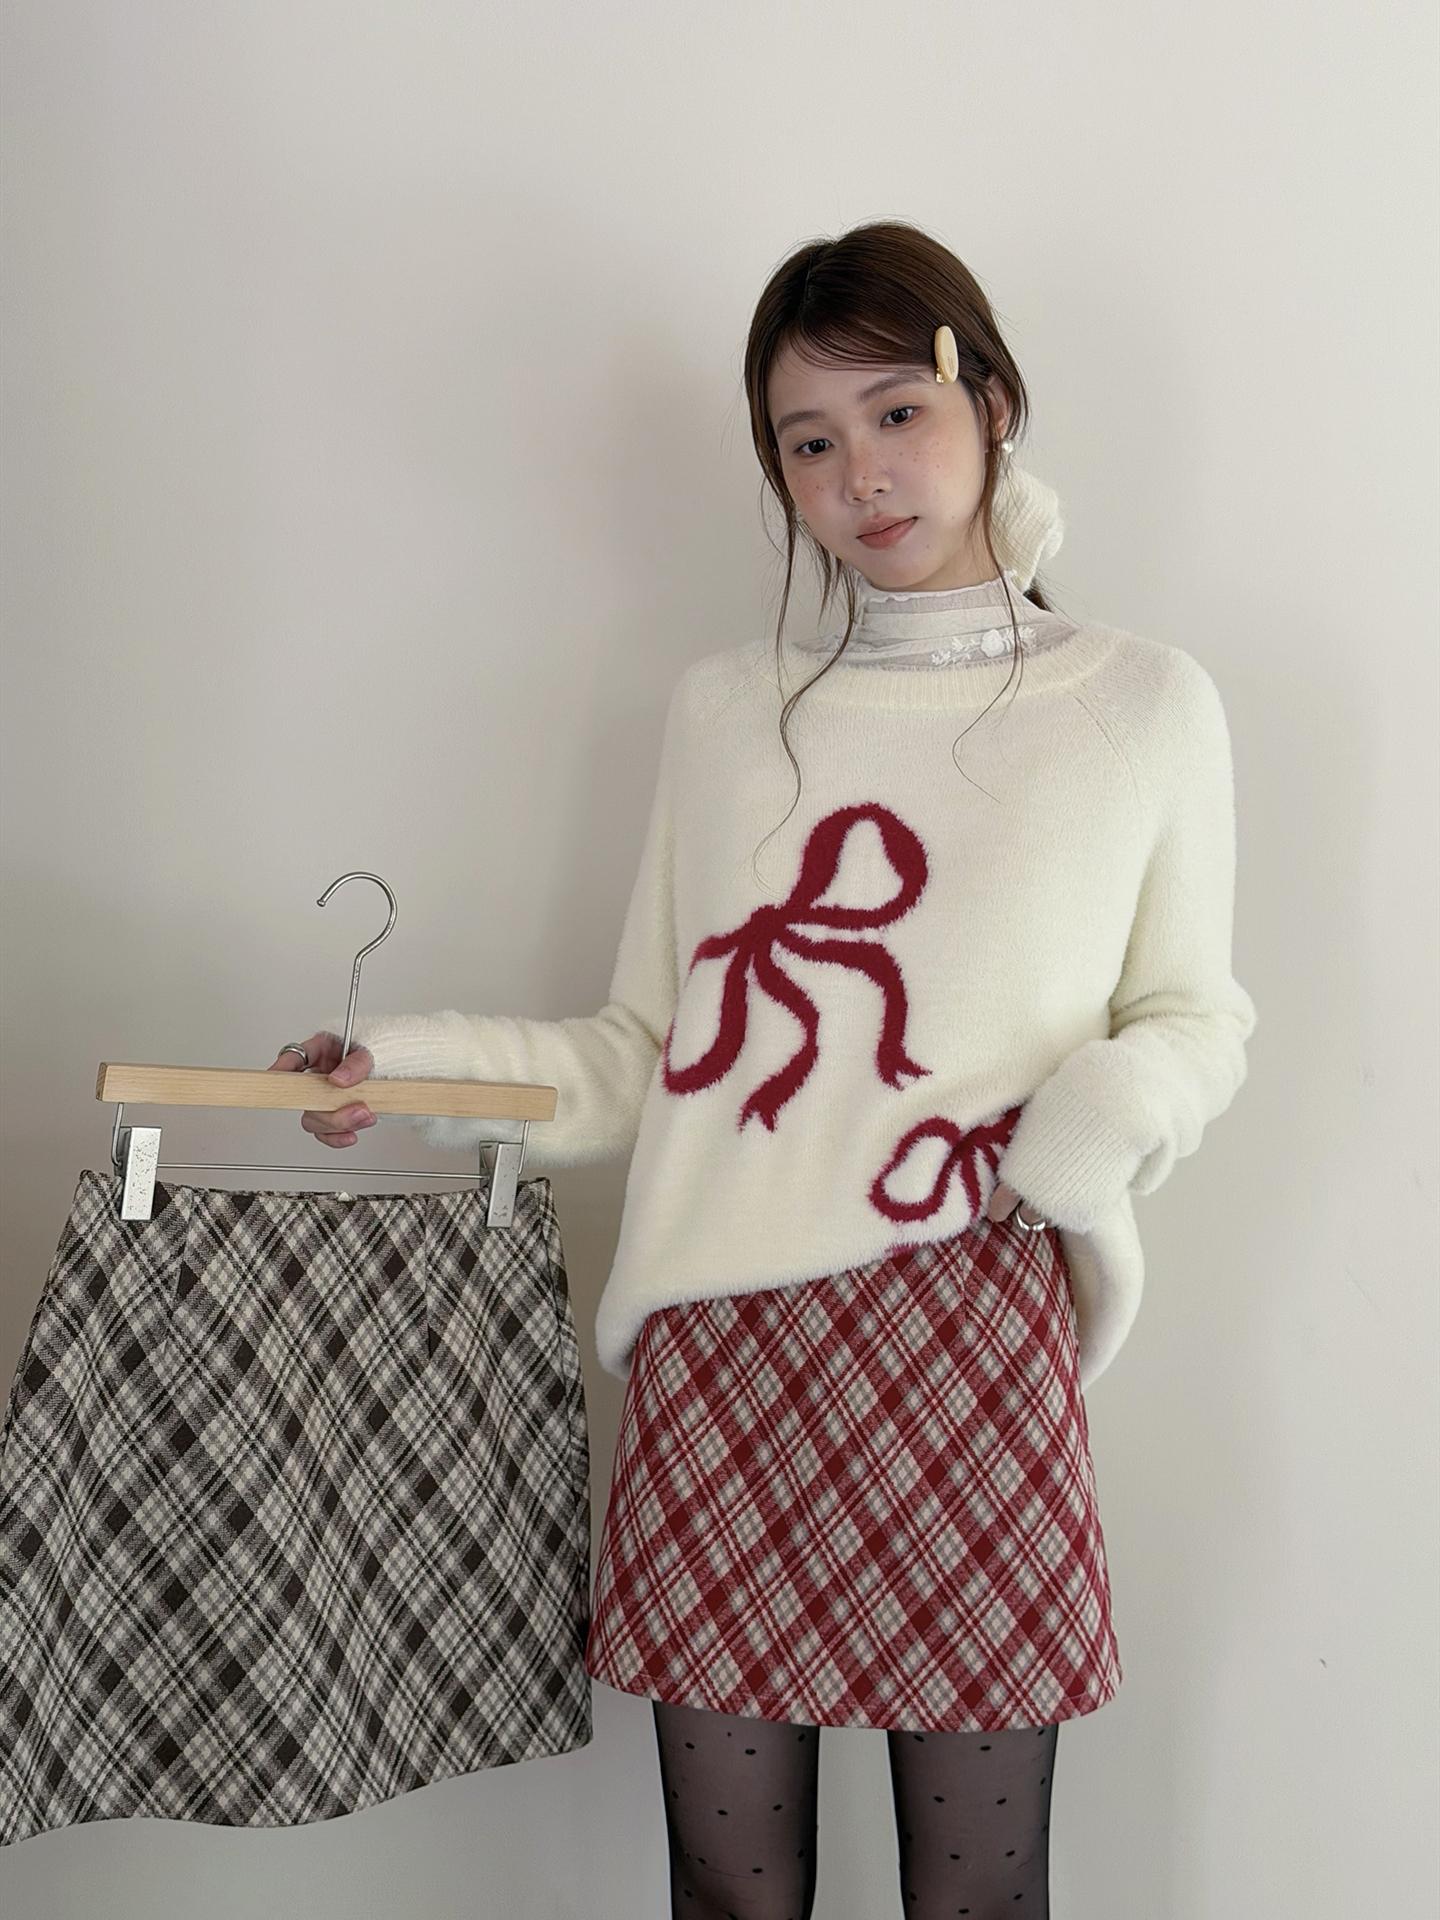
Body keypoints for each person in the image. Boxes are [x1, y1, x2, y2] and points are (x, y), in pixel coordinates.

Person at [268, 219, 1256, 1919]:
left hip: (976, 1321)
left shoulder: (1144, 706)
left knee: (982, 1897)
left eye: (895, 413)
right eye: (808, 441)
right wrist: (408, 1065)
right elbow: (651, 1053)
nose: (859, 474)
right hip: (725, 1346)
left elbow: (1195, 1014)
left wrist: (1106, 1115)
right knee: (729, 1897)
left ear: (991, 401)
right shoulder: (730, 714)